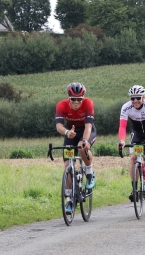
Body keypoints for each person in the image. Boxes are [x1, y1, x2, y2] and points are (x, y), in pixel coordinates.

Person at [55, 82, 97, 214]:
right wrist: (67, 132)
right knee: (68, 166)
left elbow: (88, 126)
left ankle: (90, 173)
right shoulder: (61, 105)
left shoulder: (88, 103)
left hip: (86, 131)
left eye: (79, 99)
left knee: (81, 146)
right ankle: (69, 201)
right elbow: (59, 126)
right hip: (70, 132)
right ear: (69, 97)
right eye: (74, 99)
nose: (77, 102)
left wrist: (85, 140)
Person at [118, 85, 145, 202]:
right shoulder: (126, 108)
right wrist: (122, 140)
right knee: (133, 158)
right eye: (132, 98)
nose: (135, 101)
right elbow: (122, 126)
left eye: (138, 98)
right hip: (136, 132)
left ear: (143, 97)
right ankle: (135, 189)